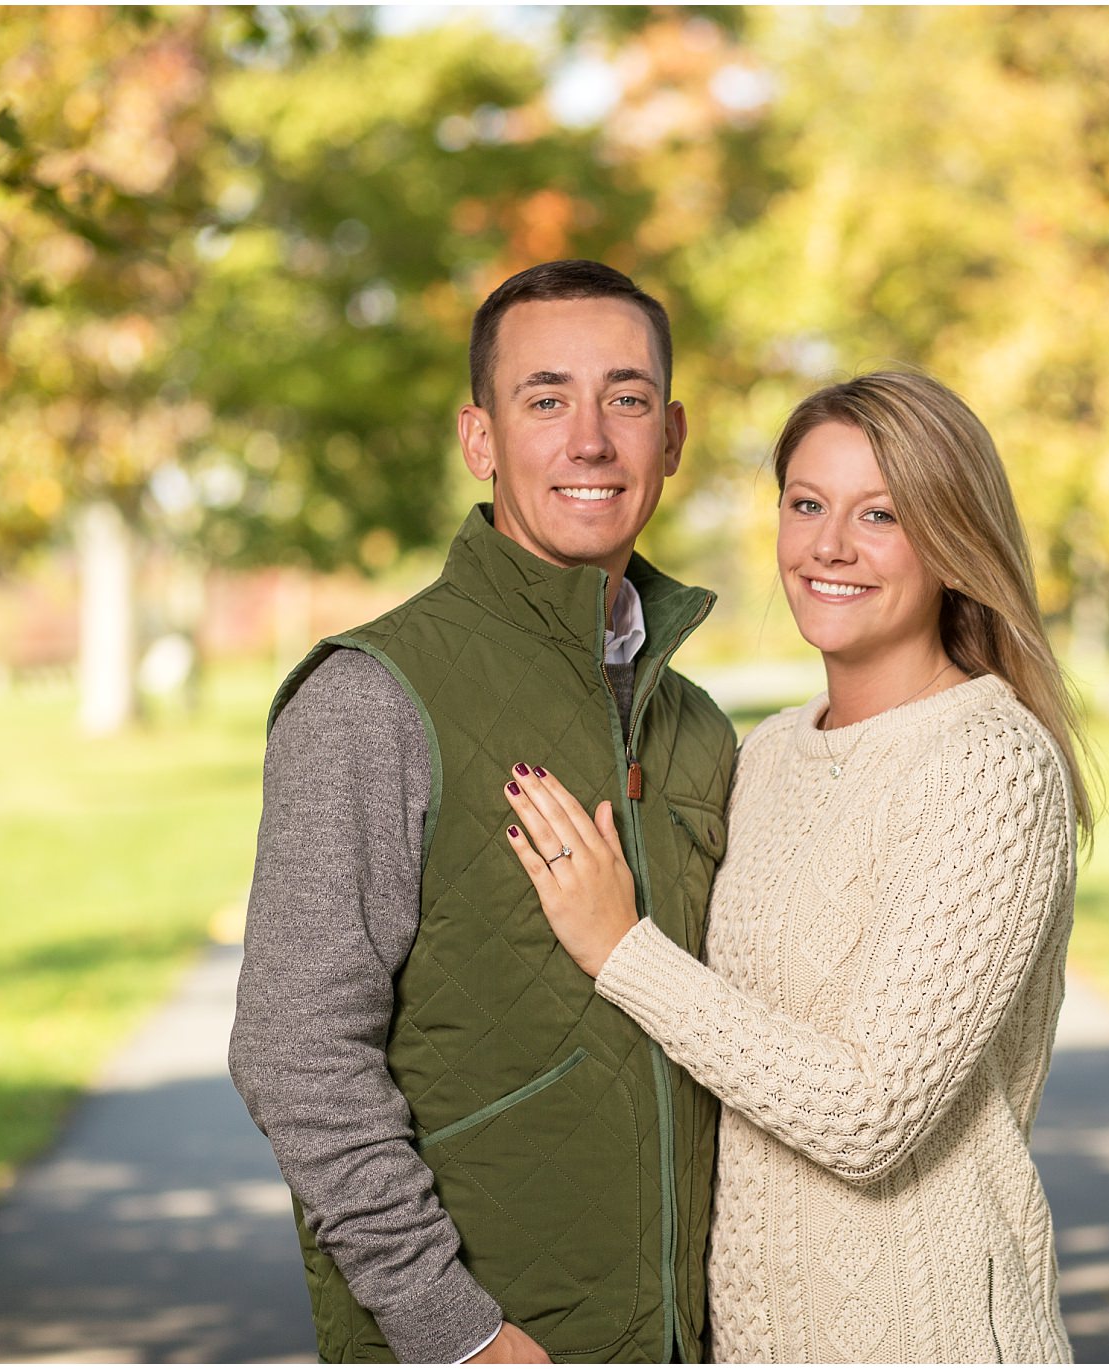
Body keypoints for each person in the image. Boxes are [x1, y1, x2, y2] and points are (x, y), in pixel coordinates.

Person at [499, 370, 1096, 1363]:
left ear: (951, 540)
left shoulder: (990, 765)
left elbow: (868, 1114)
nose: (828, 546)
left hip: (926, 1336)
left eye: (880, 515)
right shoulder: (769, 751)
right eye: (806, 504)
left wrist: (620, 949)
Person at [230, 260, 736, 1364]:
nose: (590, 438)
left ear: (673, 433)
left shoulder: (697, 726)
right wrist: (453, 1332)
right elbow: (293, 1050)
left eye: (628, 398)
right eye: (545, 398)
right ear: (480, 439)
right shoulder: (371, 695)